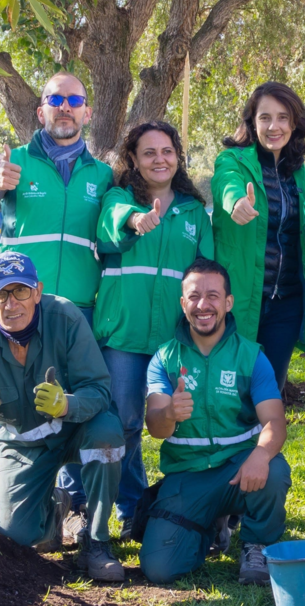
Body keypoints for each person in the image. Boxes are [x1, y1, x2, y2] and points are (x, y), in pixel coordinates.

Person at [0, 72, 114, 520]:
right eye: (56, 99)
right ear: (41, 110)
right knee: (12, 399)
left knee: (72, 402)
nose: (65, 107)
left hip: (79, 310)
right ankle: (7, 486)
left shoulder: (103, 174)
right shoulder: (14, 161)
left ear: (87, 111)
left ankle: (75, 502)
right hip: (20, 308)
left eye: (74, 100)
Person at [0, 252, 124, 581]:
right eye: (2, 293)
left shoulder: (67, 318)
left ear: (38, 292)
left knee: (107, 438)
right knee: (13, 536)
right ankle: (57, 507)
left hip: (78, 428)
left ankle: (97, 543)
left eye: (21, 291)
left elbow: (100, 391)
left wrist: (66, 405)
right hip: (24, 442)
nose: (11, 303)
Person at [92, 121, 213, 540]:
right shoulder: (118, 198)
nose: (159, 159)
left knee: (184, 423)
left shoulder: (194, 212)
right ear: (133, 159)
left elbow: (207, 273)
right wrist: (135, 221)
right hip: (123, 338)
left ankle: (198, 510)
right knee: (123, 423)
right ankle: (128, 508)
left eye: (167, 151)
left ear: (178, 157)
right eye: (148, 152)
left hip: (173, 341)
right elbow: (111, 224)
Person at [138, 259, 291, 587]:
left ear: (228, 302)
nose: (202, 305)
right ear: (183, 303)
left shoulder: (251, 356)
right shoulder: (165, 359)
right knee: (159, 569)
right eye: (193, 297)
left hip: (239, 470)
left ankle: (257, 545)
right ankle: (209, 526)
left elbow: (275, 422)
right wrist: (169, 414)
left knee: (275, 470)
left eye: (212, 296)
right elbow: (156, 428)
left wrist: (261, 456)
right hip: (187, 476)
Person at [211, 82, 305, 391]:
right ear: (252, 121)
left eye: (283, 117)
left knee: (267, 394)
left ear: (295, 122)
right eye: (265, 117)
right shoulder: (233, 161)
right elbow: (225, 184)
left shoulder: (304, 177)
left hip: (286, 306)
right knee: (228, 392)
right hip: (240, 300)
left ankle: (263, 441)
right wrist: (236, 202)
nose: (275, 126)